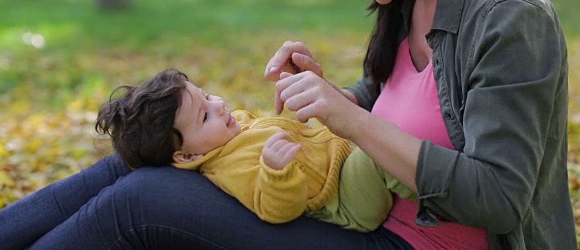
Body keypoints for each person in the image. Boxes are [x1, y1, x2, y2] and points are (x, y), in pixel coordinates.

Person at [0, 0, 578, 249]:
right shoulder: (408, 0)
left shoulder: (509, 17)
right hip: (359, 216)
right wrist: (324, 93)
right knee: (131, 163)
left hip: (412, 242)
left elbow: (502, 199)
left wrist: (349, 122)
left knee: (142, 200)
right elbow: (391, 110)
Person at [94, 68, 411, 231]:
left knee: (377, 131)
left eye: (208, 96)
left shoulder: (229, 131)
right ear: (187, 156)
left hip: (336, 164)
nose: (218, 106)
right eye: (205, 116)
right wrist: (276, 175)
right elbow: (276, 210)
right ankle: (429, 187)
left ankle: (419, 169)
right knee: (377, 146)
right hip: (343, 200)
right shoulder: (230, 169)